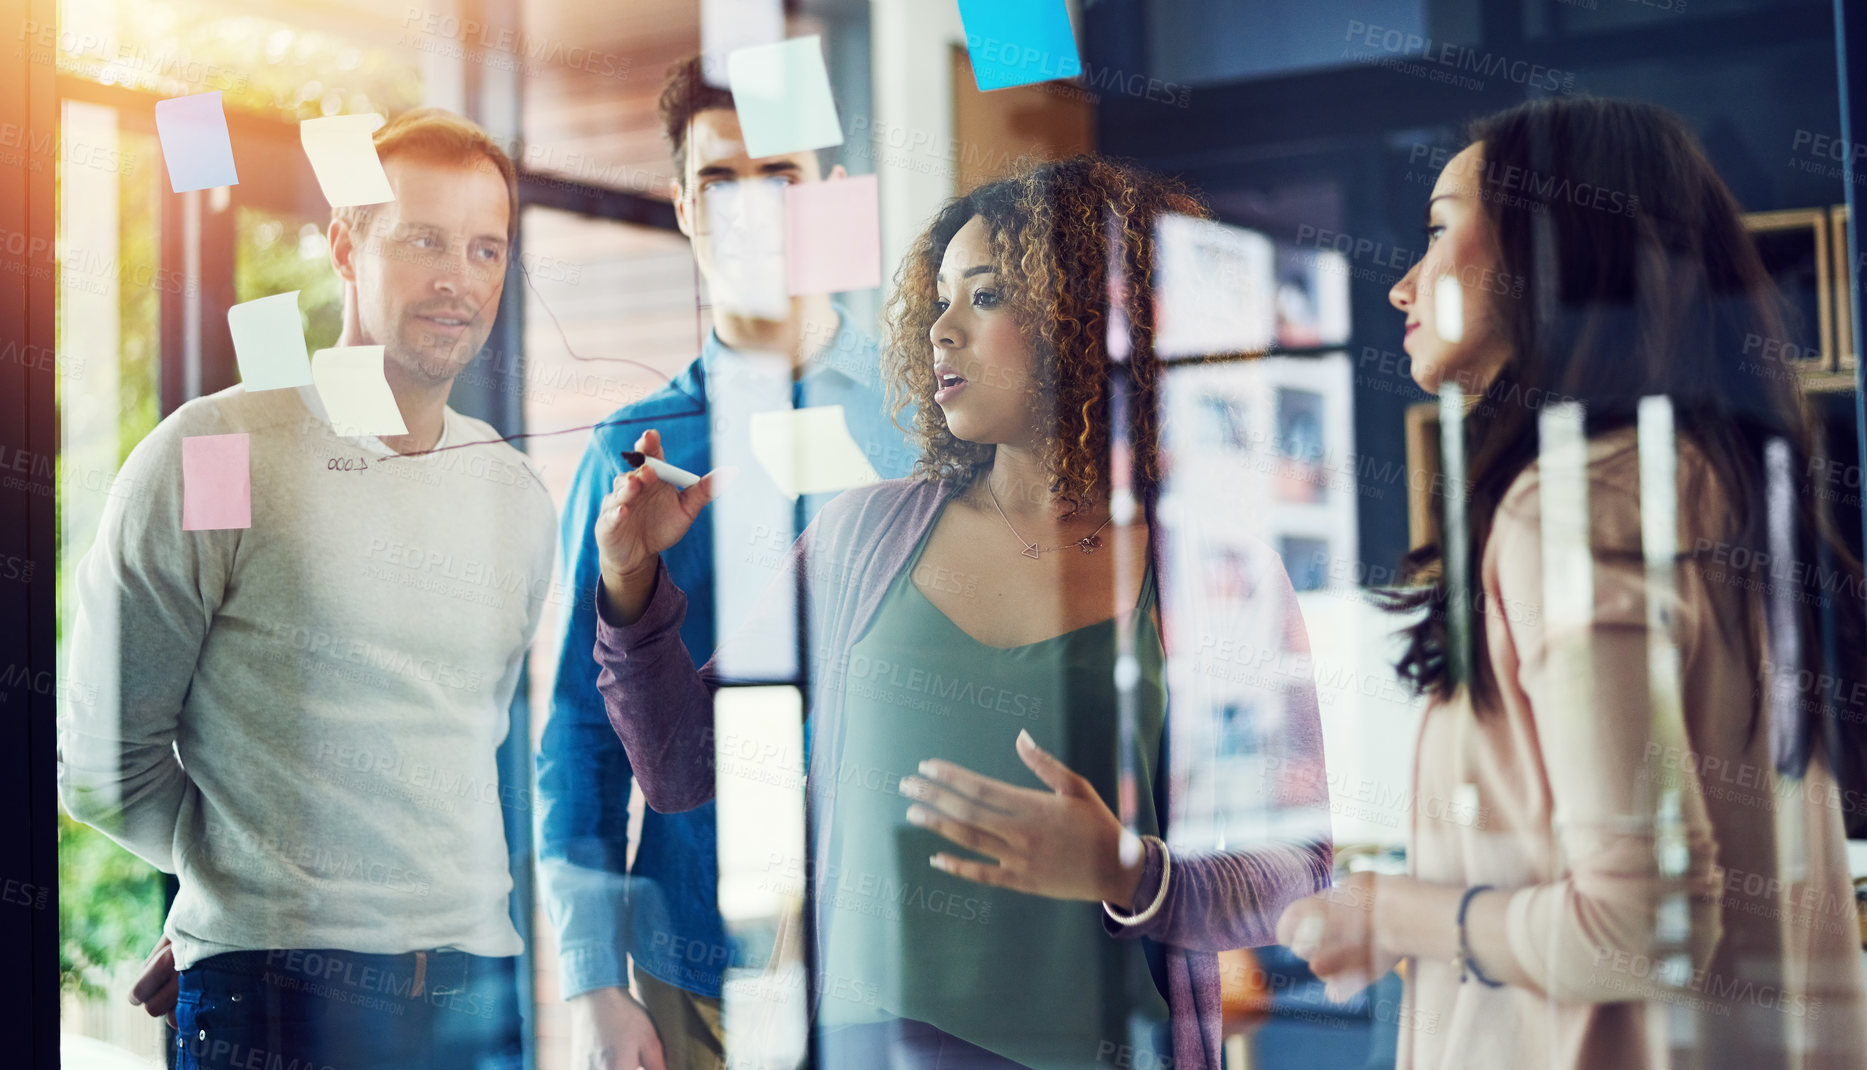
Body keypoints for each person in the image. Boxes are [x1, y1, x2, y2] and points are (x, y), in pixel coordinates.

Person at [590, 156, 1333, 1070]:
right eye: (938, 299)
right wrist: (630, 584)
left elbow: (1298, 870)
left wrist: (1126, 870)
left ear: (1086, 314)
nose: (941, 330)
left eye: (983, 297)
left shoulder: (1218, 576)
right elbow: (682, 766)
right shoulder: (858, 536)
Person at [1276, 97, 1867, 1069]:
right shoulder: (1711, 482)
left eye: (1436, 228)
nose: (1402, 285)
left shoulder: (1572, 508)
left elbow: (1641, 923)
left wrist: (1396, 912)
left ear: (1550, 248)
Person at [58, 108, 556, 1069]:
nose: (459, 277)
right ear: (343, 246)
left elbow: (460, 757)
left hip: (475, 990)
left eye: (486, 248)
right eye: (422, 240)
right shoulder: (217, 454)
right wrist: (255, 895)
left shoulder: (513, 494)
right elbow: (102, 764)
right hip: (271, 999)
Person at [535, 55, 914, 1070]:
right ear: (682, 209)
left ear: (829, 197)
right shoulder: (635, 449)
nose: (752, 214)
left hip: (901, 967)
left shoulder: (922, 423)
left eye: (781, 179)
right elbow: (578, 728)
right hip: (692, 973)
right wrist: (592, 982)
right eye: (720, 184)